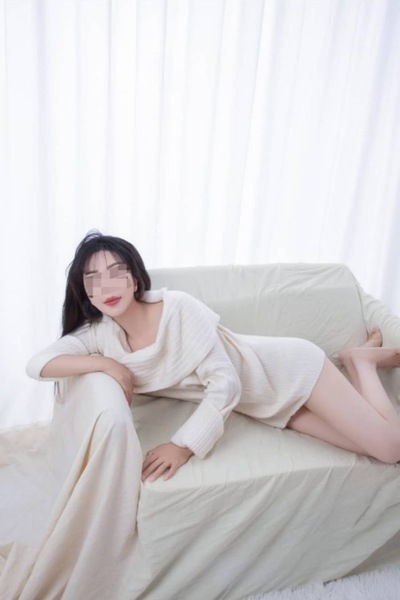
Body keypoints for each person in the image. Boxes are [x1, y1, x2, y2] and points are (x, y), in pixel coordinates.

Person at [27, 231, 400, 484]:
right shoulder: (101, 336)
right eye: (93, 278)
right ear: (86, 292)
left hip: (292, 371)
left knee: (391, 448)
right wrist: (106, 364)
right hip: (268, 407)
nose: (106, 286)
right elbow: (38, 364)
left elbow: (225, 383)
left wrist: (183, 445)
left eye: (115, 272)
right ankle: (360, 363)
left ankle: (360, 362)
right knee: (366, 446)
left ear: (135, 278)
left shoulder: (177, 308)